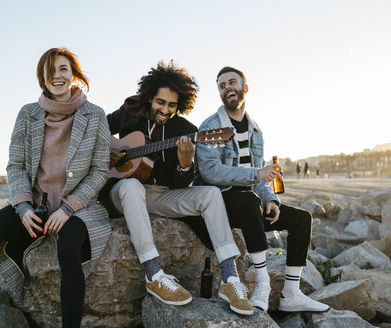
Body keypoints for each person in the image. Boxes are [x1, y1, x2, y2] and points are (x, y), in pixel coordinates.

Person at [0, 48, 111, 328]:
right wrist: (22, 207)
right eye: (50, 71)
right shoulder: (28, 114)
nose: (57, 75)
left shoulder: (95, 115)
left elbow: (99, 171)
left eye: (64, 69)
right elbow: (16, 165)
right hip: (35, 205)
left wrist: (68, 209)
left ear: (74, 74)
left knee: (68, 248)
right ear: (42, 78)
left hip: (79, 207)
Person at [106, 61, 251, 314]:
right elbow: (97, 130)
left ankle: (230, 277)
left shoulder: (185, 131)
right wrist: (109, 150)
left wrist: (185, 164)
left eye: (172, 105)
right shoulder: (129, 112)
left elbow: (180, 183)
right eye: (160, 103)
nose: (165, 110)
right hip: (123, 193)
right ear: (150, 97)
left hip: (161, 196)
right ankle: (153, 274)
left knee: (211, 194)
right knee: (131, 185)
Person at [194, 66, 329, 313]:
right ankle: (262, 283)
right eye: (222, 86)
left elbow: (261, 175)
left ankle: (291, 293)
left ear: (245, 88)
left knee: (302, 219)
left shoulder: (256, 131)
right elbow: (210, 172)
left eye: (232, 82)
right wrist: (256, 176)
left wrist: (271, 200)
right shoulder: (210, 127)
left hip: (250, 206)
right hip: (218, 202)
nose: (227, 88)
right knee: (247, 199)